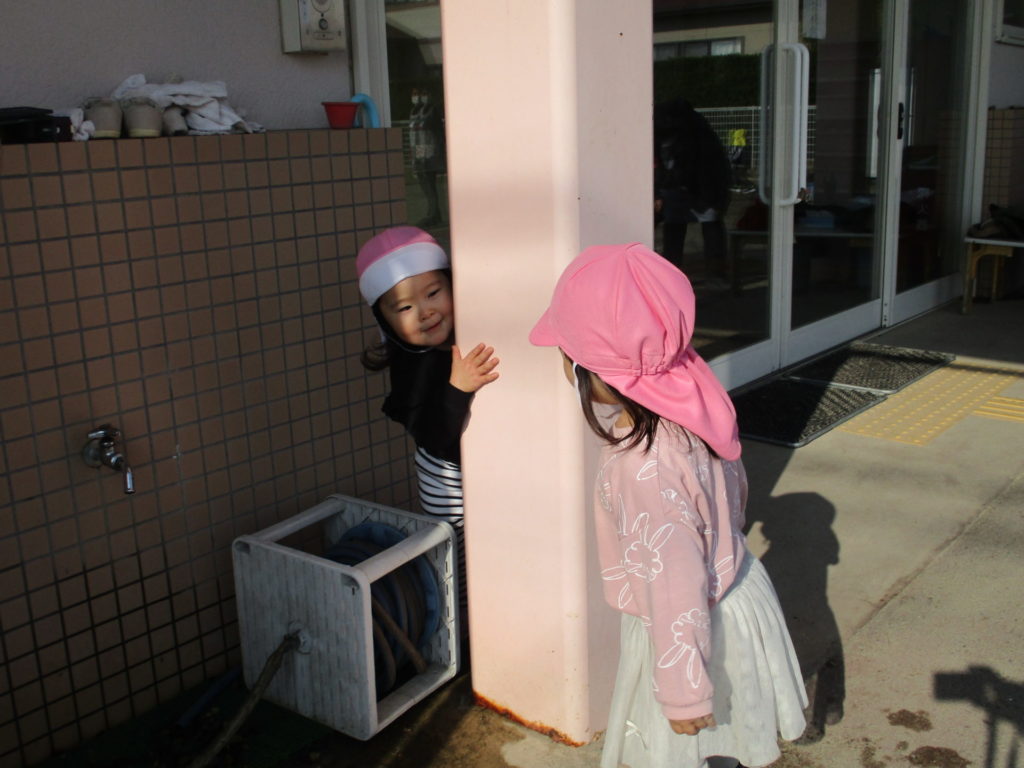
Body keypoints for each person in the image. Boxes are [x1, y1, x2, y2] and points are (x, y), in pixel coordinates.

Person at [529, 243, 807, 768]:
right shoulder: (693, 402)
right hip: (732, 592)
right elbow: (731, 500)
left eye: (566, 351)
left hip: (689, 628)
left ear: (594, 371)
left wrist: (683, 691)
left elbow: (674, 578)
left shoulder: (643, 468)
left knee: (691, 748)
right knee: (726, 745)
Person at [358, 225, 499, 624]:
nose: (425, 312)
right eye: (404, 308)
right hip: (446, 482)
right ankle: (465, 632)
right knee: (459, 567)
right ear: (384, 320)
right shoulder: (411, 367)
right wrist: (458, 388)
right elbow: (435, 435)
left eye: (433, 293)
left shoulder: (467, 334)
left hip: (479, 475)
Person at [654, 98, 732, 286]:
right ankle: (711, 274)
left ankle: (675, 275)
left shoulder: (694, 135)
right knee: (699, 228)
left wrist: (661, 188)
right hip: (688, 188)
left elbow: (699, 168)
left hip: (700, 187)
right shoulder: (696, 129)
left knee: (679, 230)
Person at [408, 87, 445, 227]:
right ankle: (433, 212)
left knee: (430, 184)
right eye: (415, 94)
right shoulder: (414, 111)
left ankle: (434, 214)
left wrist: (438, 153)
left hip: (429, 153)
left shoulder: (432, 111)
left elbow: (438, 133)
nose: (418, 97)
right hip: (418, 152)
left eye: (422, 94)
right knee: (424, 184)